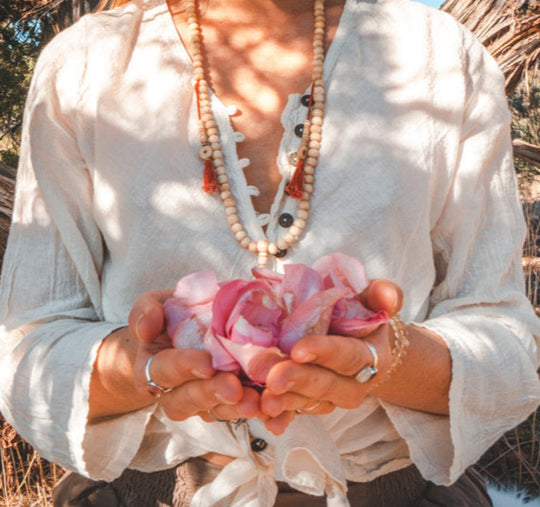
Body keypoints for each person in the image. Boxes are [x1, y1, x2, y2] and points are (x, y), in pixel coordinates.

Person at [0, 0, 539, 504]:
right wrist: (134, 368)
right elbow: (26, 349)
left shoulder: (441, 58)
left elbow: (507, 345)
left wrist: (386, 355)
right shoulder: (84, 67)